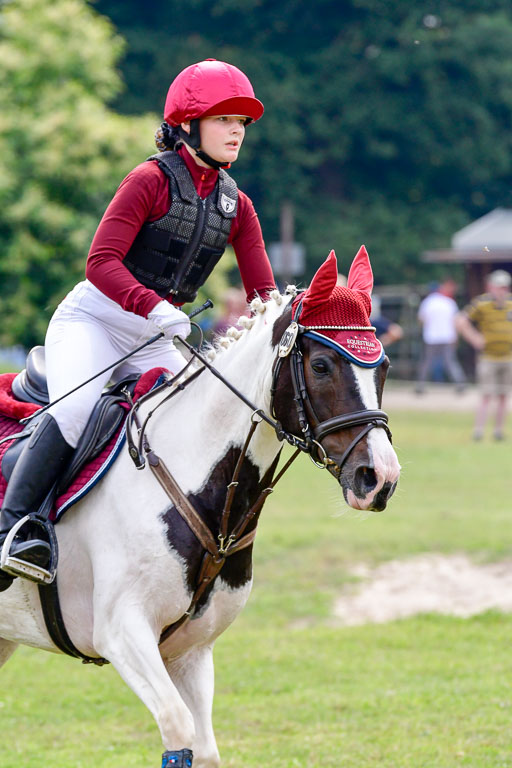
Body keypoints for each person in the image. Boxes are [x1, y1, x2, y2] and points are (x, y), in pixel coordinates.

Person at [0, 58, 276, 591]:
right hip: (97, 320)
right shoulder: (149, 179)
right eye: (224, 119)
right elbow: (100, 263)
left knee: (195, 419)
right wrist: (152, 306)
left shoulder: (235, 204)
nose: (237, 130)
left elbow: (264, 294)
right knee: (79, 408)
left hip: (154, 337)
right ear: (188, 125)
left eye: (242, 121)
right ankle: (16, 528)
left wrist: (291, 318)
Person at [456, 269, 512, 441]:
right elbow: (460, 320)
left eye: (504, 287)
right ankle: (479, 431)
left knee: (503, 395)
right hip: (488, 357)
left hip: (508, 357)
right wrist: (475, 338)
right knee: (486, 395)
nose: (501, 291)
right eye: (498, 287)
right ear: (491, 287)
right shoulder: (482, 304)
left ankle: (498, 431)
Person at [415, 279, 466, 394]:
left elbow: (421, 320)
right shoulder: (449, 302)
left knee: (427, 362)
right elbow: (456, 321)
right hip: (447, 337)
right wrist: (456, 337)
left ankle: (420, 386)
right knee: (451, 362)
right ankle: (460, 384)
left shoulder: (427, 302)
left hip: (431, 337)